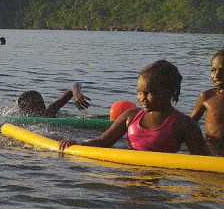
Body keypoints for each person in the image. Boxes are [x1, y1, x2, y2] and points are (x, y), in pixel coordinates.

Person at [58, 60, 208, 155]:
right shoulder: (130, 116)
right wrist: (79, 144)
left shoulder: (184, 124)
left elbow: (203, 159)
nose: (141, 98)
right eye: (139, 92)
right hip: (130, 174)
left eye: (149, 93)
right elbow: (103, 142)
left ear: (170, 91)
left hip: (162, 181)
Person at [190, 49, 224, 155]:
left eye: (222, 71)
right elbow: (189, 124)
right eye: (213, 70)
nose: (216, 75)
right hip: (212, 150)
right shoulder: (207, 97)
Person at [17, 83, 91, 118]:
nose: (41, 106)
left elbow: (75, 84)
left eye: (41, 102)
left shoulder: (49, 112)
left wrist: (76, 93)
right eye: (35, 104)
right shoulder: (21, 121)